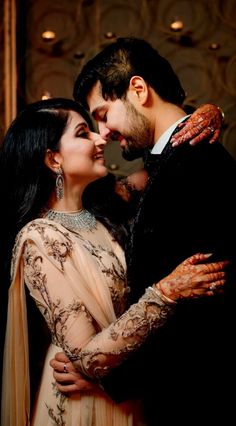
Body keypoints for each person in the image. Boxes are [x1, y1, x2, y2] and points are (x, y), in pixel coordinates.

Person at [0, 97, 227, 426]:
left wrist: (210, 114)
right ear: (53, 159)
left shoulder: (110, 209)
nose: (99, 138)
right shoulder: (39, 239)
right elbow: (87, 359)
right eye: (83, 133)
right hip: (83, 403)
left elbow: (171, 160)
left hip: (129, 394)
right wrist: (166, 292)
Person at [53, 37, 236, 425]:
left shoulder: (195, 161)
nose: (103, 134)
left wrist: (104, 378)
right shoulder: (164, 163)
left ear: (138, 89)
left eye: (103, 114)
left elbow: (202, 322)